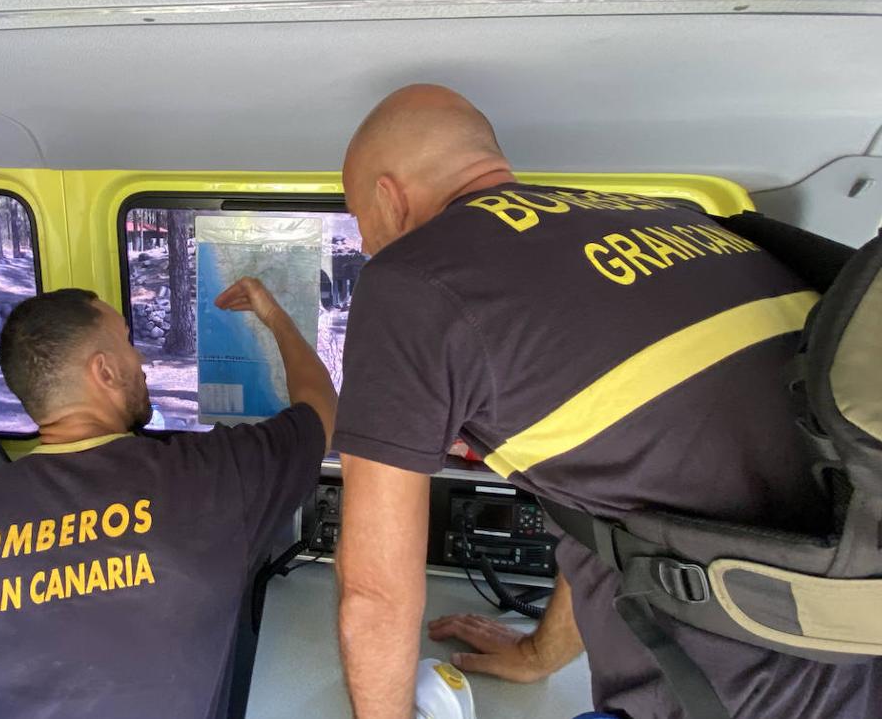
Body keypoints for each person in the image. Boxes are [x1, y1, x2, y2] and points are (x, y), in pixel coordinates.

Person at [331, 84, 881, 718]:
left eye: (359, 220)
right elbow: (608, 506)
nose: (365, 245)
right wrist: (540, 655)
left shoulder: (413, 278)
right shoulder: (676, 219)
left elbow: (375, 592)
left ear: (389, 197)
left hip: (744, 691)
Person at [0, 278, 336, 719]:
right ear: (105, 370)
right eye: (129, 343)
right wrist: (272, 314)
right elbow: (320, 410)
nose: (142, 363)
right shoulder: (211, 478)